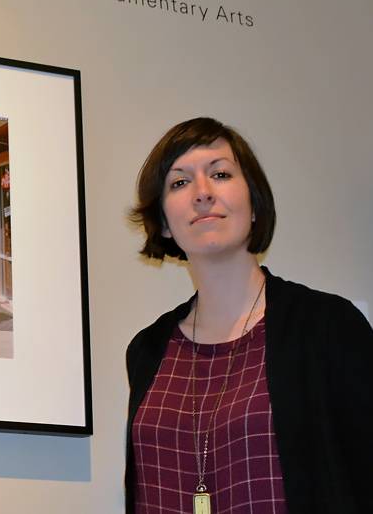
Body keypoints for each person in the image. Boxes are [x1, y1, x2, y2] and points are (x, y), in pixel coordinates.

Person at [125, 117, 372, 514]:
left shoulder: (328, 327)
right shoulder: (147, 350)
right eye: (180, 182)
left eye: (220, 174)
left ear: (254, 203)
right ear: (164, 223)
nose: (202, 193)